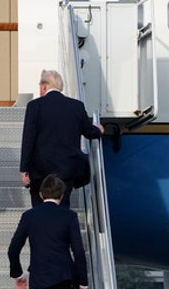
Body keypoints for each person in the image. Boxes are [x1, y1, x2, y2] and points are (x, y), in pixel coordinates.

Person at [8, 174, 89, 289]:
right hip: (65, 275)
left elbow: (13, 249)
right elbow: (78, 251)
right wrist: (82, 282)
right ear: (62, 195)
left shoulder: (29, 216)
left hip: (40, 276)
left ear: (41, 194)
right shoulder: (70, 216)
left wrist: (18, 274)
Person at [19, 69, 105, 209]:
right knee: (63, 209)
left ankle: (41, 230)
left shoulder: (35, 106)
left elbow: (28, 138)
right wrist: (98, 131)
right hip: (66, 170)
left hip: (40, 171)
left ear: (44, 86)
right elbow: (88, 131)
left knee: (39, 210)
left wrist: (24, 169)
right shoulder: (76, 106)